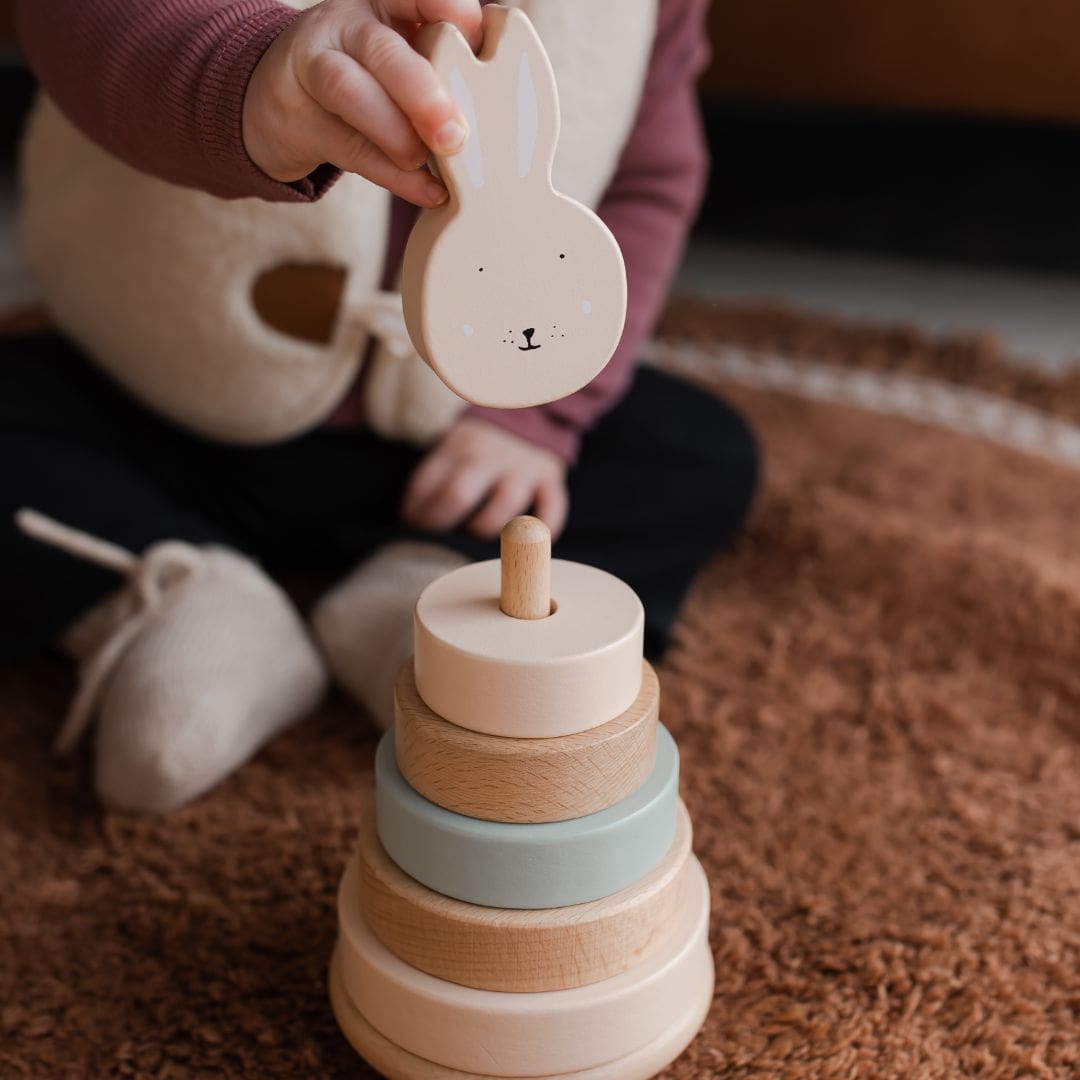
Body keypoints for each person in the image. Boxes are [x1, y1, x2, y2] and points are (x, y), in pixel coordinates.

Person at [2, 0, 757, 812]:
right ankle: (182, 598)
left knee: (697, 455)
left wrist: (535, 422)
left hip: (451, 464)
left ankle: (432, 592)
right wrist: (250, 82)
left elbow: (646, 182)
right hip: (156, 402)